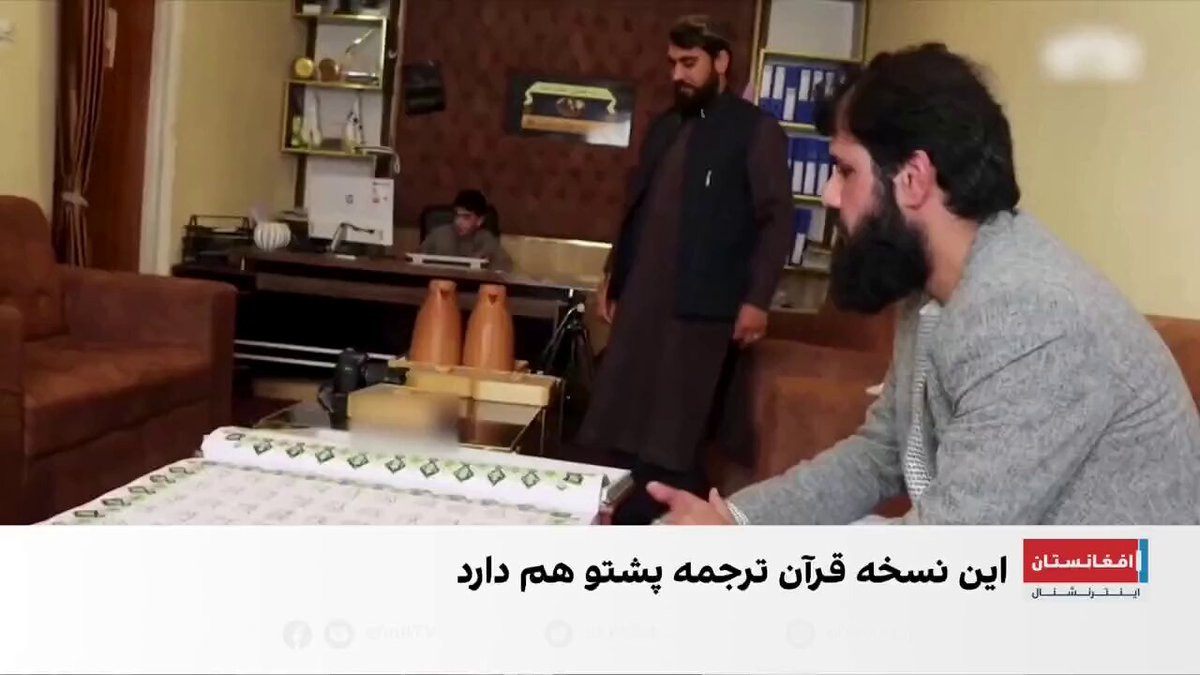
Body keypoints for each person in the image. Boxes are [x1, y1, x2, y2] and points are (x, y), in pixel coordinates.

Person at [648, 42, 1200, 526]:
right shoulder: (934, 287)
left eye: (845, 171)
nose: (831, 196)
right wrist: (736, 522)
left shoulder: (1029, 314)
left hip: (1118, 598)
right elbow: (881, 452)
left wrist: (746, 561)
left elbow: (950, 553)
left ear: (913, 179)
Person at [574, 15, 793, 525]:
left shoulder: (755, 130)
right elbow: (636, 208)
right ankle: (621, 527)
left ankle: (671, 533)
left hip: (702, 306)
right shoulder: (665, 126)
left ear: (722, 62)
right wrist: (613, 275)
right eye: (673, 63)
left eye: (689, 63)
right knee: (621, 422)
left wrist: (757, 299)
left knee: (673, 435)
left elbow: (777, 219)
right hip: (641, 301)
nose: (678, 74)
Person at [420, 189, 513, 272]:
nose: (458, 222)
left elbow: (505, 268)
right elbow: (416, 260)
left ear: (479, 220)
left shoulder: (488, 241)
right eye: (457, 215)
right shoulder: (438, 235)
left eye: (466, 217)